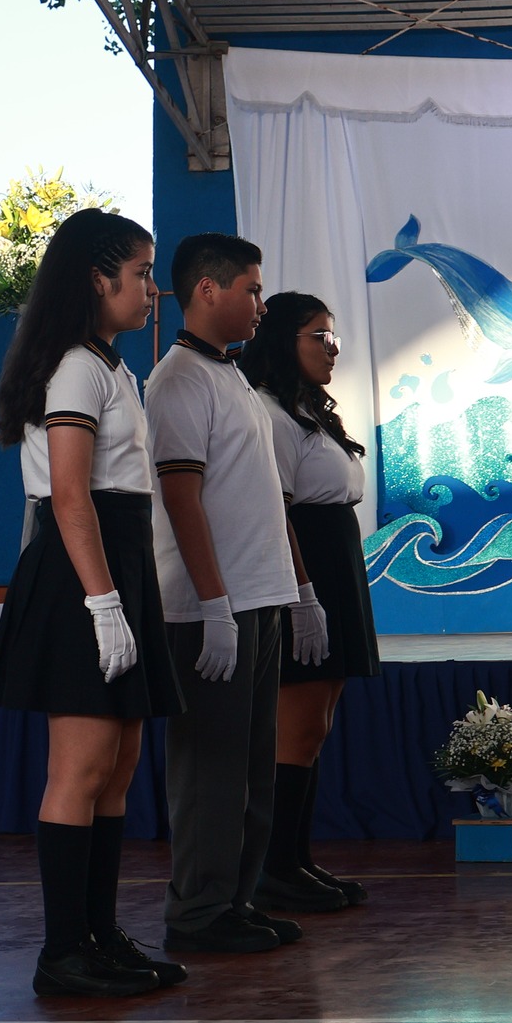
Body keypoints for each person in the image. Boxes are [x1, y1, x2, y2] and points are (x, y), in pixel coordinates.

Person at [0, 209, 188, 998]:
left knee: (118, 764)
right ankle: (63, 951)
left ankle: (99, 934)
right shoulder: (74, 366)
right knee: (79, 765)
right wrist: (103, 602)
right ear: (96, 279)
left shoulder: (110, 368)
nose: (151, 288)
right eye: (140, 272)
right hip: (83, 571)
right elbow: (71, 494)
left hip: (115, 564)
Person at [150, 233, 326, 954]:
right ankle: (197, 911)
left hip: (259, 599)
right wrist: (213, 603)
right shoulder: (178, 382)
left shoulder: (233, 380)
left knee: (252, 766)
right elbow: (182, 499)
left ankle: (237, 898)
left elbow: (264, 501)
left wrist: (301, 592)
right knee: (211, 768)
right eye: (250, 290)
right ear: (207, 291)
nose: (260, 303)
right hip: (209, 610)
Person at [238, 293, 381, 914]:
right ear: (282, 342)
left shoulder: (308, 411)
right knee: (293, 730)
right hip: (309, 571)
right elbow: (279, 514)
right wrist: (304, 596)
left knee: (315, 726)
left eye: (334, 337)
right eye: (318, 336)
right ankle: (272, 868)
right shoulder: (268, 413)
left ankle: (297, 860)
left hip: (337, 565)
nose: (331, 348)